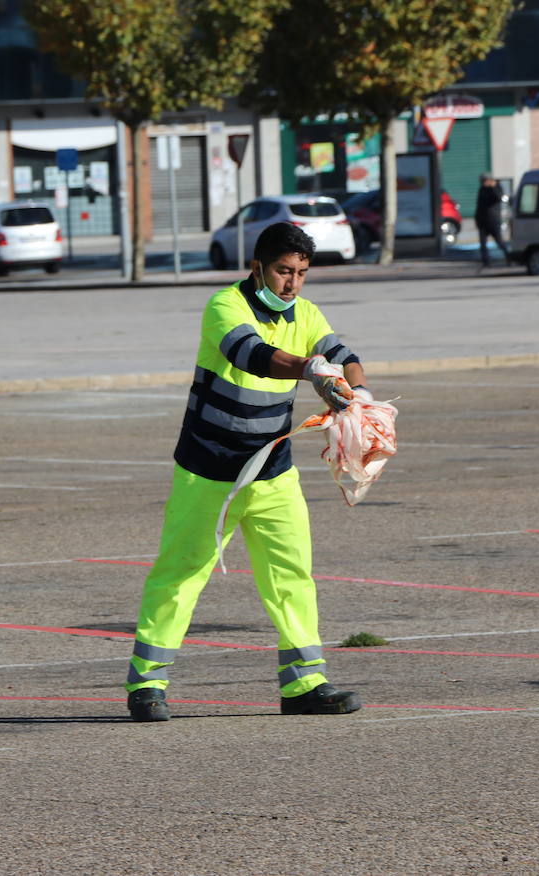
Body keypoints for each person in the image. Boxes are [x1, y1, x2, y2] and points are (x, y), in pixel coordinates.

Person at [124, 222, 370, 723]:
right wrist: (309, 369)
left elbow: (343, 356)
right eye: (283, 271)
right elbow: (252, 356)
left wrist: (359, 394)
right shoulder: (224, 306)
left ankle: (304, 684)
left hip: (271, 472)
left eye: (301, 273)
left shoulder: (305, 314)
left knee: (292, 575)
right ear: (257, 266)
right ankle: (146, 684)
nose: (292, 284)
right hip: (208, 469)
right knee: (181, 573)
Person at [474, 172, 511, 269]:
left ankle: (509, 257)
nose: (483, 183)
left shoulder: (496, 188)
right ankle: (486, 262)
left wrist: (493, 187)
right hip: (483, 221)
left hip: (493, 220)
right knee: (482, 244)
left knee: (499, 241)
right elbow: (479, 205)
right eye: (482, 181)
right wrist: (477, 219)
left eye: (485, 181)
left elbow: (498, 197)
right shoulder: (482, 189)